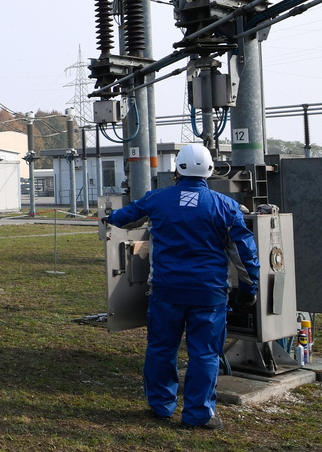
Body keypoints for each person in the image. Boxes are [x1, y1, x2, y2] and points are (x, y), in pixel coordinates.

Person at [107, 142, 259, 430]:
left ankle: (161, 406)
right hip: (208, 292)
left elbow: (123, 219)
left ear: (177, 168)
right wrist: (249, 289)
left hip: (166, 290)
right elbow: (244, 253)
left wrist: (108, 216)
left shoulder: (158, 199)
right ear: (211, 169)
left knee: (161, 348)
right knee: (204, 353)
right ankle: (199, 414)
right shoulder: (225, 206)